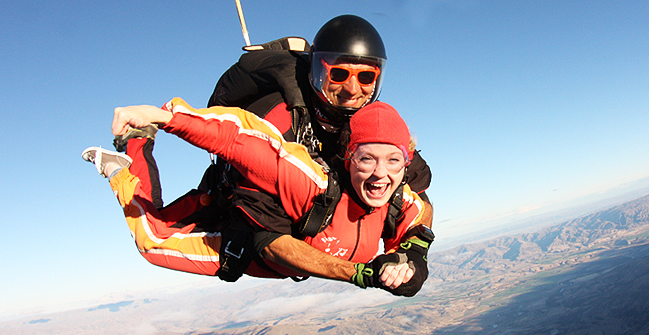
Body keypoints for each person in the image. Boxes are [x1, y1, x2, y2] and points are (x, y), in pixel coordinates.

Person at [83, 99, 433, 296]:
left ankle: (208, 196)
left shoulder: (399, 201)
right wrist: (167, 117)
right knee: (151, 241)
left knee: (196, 207)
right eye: (366, 159)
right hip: (251, 247)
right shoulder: (311, 183)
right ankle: (125, 159)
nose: (379, 174)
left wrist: (413, 258)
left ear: (406, 162)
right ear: (348, 158)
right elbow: (243, 139)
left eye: (393, 161)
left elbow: (420, 222)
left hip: (271, 255)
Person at [189, 14, 434, 281]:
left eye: (366, 77)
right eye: (339, 74)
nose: (353, 89)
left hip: (316, 222)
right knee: (157, 241)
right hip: (262, 220)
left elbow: (418, 190)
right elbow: (268, 239)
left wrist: (416, 251)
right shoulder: (280, 123)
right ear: (317, 72)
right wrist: (358, 274)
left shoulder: (372, 124)